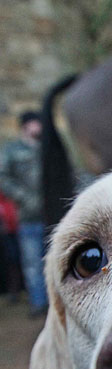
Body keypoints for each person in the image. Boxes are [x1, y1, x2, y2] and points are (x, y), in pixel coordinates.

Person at [0, 111, 47, 316]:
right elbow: (3, 178)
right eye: (37, 123)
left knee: (54, 259)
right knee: (32, 263)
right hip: (27, 217)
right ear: (26, 126)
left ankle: (56, 304)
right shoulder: (12, 151)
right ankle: (38, 303)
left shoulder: (47, 147)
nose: (40, 127)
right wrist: (22, 197)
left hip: (52, 214)